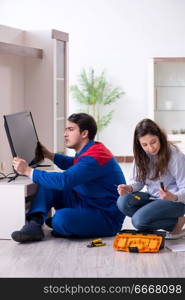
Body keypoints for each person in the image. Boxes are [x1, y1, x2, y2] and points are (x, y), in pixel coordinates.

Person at [11, 113, 126, 243]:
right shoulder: (91, 149)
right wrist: (49, 155)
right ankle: (35, 224)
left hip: (105, 217)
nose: (65, 134)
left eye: (70, 129)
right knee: (48, 184)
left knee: (61, 219)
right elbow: (74, 163)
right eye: (66, 129)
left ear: (84, 133)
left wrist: (27, 170)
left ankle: (58, 223)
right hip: (86, 201)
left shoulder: (95, 156)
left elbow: (65, 181)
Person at [117, 118, 185, 240]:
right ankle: (173, 221)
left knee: (138, 221)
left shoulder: (175, 156)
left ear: (160, 137)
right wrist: (129, 187)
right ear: (139, 144)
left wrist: (173, 197)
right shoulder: (141, 156)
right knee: (122, 202)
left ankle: (176, 222)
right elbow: (138, 182)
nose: (150, 148)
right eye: (145, 145)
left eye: (153, 142)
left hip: (175, 201)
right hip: (152, 197)